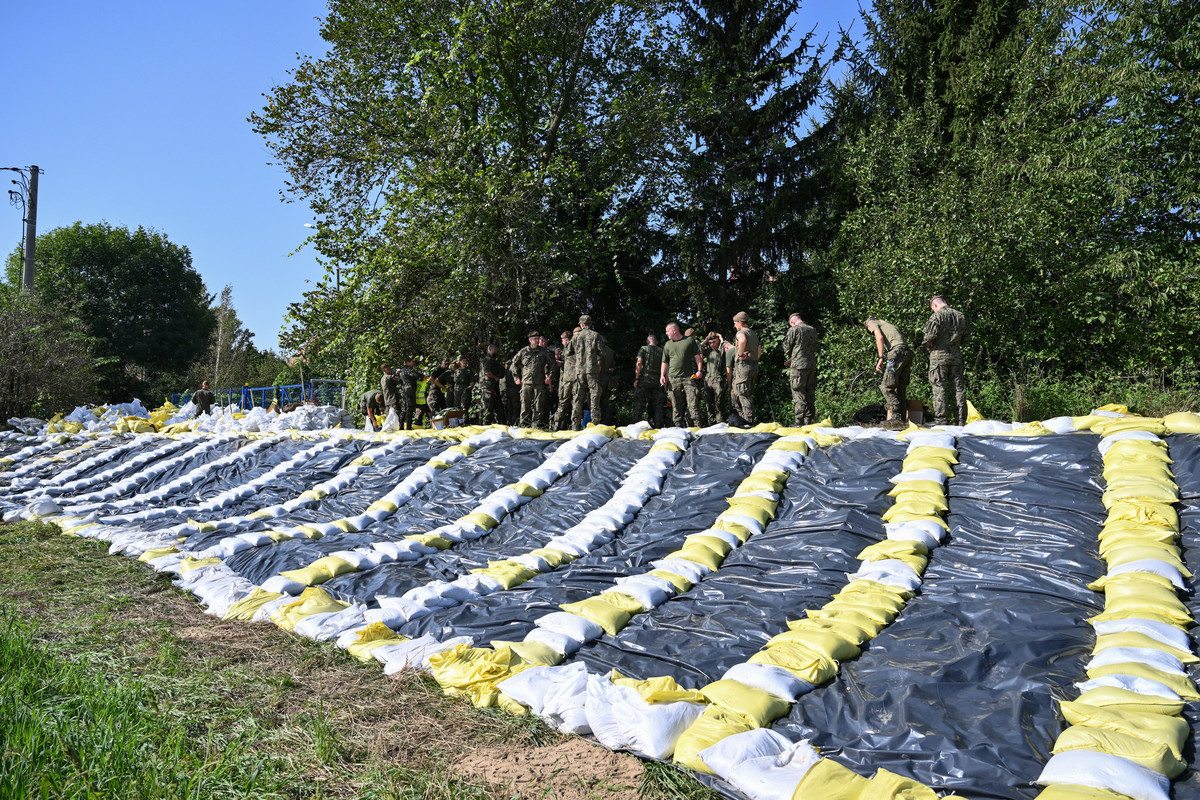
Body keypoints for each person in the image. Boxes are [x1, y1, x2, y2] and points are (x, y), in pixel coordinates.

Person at [923, 295, 970, 426]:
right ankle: (960, 420)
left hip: (939, 357)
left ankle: (941, 420)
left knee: (939, 388)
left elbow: (929, 337)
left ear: (935, 306)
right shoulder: (960, 316)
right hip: (956, 356)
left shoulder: (937, 316)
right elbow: (966, 339)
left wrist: (928, 345)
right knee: (958, 388)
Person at [865, 316, 912, 425]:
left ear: (868, 326)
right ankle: (902, 419)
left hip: (895, 354)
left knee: (886, 386)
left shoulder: (872, 323)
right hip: (907, 353)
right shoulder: (888, 324)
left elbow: (879, 337)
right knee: (900, 387)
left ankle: (896, 416)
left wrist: (881, 358)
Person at [660, 321, 704, 428]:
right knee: (676, 404)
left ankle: (697, 428)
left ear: (674, 330)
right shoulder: (668, 344)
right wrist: (662, 375)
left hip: (689, 378)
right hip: (673, 379)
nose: (666, 334)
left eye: (667, 331)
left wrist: (700, 370)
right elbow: (664, 362)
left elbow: (697, 356)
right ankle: (678, 427)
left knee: (693, 403)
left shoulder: (689, 341)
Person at [565, 314, 603, 430]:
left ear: (581, 324)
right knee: (594, 396)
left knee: (578, 397)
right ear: (590, 324)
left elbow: (567, 352)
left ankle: (575, 425)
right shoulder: (596, 335)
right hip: (592, 371)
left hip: (579, 371)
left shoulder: (576, 337)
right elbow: (603, 352)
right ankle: (595, 424)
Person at [511, 330, 552, 428]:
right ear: (530, 340)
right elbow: (514, 365)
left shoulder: (544, 351)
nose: (537, 340)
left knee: (539, 406)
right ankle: (524, 426)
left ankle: (536, 426)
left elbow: (553, 365)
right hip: (526, 383)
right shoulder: (523, 352)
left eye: (538, 339)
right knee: (525, 406)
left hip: (539, 383)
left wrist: (550, 376)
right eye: (535, 339)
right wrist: (516, 377)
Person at [782, 313, 818, 426]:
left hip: (798, 366)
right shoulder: (812, 330)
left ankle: (799, 421)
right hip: (811, 365)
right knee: (809, 392)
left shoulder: (795, 330)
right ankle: (808, 420)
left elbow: (787, 348)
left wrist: (788, 334)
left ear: (792, 322)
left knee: (799, 393)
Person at [730, 311, 761, 425]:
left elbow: (742, 340)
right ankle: (744, 419)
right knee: (745, 393)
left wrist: (739, 354)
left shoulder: (741, 333)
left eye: (735, 323)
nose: (734, 326)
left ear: (740, 323)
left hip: (744, 366)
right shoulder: (753, 334)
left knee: (743, 394)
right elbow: (759, 351)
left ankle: (748, 421)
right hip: (754, 365)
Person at [633, 333, 664, 428]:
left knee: (640, 403)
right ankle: (658, 426)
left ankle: (635, 425)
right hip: (657, 379)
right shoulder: (661, 351)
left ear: (647, 342)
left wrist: (637, 378)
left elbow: (639, 362)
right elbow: (665, 365)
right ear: (657, 342)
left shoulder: (643, 349)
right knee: (658, 404)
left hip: (645, 378)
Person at [555, 330, 579, 430]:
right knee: (576, 402)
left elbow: (563, 360)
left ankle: (557, 425)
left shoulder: (567, 349)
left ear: (567, 340)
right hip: (577, 379)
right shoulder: (580, 348)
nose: (562, 342)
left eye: (563, 340)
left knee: (563, 402)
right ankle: (575, 425)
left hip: (568, 380)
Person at [702, 333, 727, 426]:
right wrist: (705, 341)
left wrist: (720, 337)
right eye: (710, 342)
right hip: (708, 378)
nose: (712, 344)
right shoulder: (708, 351)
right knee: (708, 403)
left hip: (718, 378)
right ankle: (711, 423)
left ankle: (720, 423)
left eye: (714, 342)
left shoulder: (721, 350)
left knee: (719, 403)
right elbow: (696, 349)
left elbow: (724, 345)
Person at [479, 344, 505, 425]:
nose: (496, 351)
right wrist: (495, 377)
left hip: (494, 388)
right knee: (487, 408)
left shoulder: (493, 361)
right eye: (495, 350)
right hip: (488, 388)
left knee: (499, 408)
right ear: (490, 350)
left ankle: (500, 424)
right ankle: (484, 425)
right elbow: (487, 372)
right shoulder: (487, 360)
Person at [398, 358, 420, 430]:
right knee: (410, 407)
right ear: (408, 362)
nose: (413, 363)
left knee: (404, 407)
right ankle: (408, 426)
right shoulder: (409, 369)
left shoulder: (402, 370)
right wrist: (421, 375)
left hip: (404, 388)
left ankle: (401, 426)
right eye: (412, 362)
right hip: (410, 388)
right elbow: (415, 375)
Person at [599, 335, 615, 424]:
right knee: (605, 401)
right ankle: (606, 422)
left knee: (595, 400)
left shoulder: (599, 351)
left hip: (599, 376)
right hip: (607, 378)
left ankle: (598, 421)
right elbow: (612, 367)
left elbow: (599, 365)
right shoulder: (610, 351)